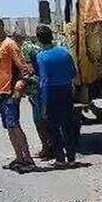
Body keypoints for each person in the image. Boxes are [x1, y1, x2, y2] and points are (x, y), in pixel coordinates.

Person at [0, 18, 36, 173]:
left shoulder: (10, 44)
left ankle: (28, 159)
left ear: (0, 27)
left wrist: (18, 89)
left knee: (14, 125)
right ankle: (19, 158)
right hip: (0, 93)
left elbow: (24, 70)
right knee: (9, 127)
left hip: (10, 93)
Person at [36, 25, 78, 168]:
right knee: (67, 126)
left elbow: (44, 80)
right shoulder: (65, 52)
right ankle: (71, 159)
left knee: (54, 128)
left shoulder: (41, 56)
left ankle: (60, 159)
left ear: (39, 39)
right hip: (66, 91)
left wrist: (44, 103)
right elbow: (73, 73)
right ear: (52, 36)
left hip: (51, 93)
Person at [22, 35, 54, 160]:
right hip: (47, 88)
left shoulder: (26, 49)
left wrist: (23, 79)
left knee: (39, 120)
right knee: (47, 120)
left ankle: (47, 149)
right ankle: (50, 148)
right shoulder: (41, 50)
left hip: (37, 90)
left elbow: (30, 71)